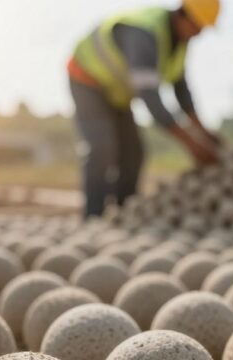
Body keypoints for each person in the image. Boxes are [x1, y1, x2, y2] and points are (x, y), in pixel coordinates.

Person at [68, 0, 222, 217]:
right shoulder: (144, 34)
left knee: (134, 154)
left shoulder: (178, 45)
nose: (198, 34)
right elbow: (153, 102)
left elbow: (182, 93)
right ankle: (93, 215)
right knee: (102, 148)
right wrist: (193, 146)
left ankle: (125, 213)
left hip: (118, 92)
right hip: (88, 78)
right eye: (197, 27)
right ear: (182, 15)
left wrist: (204, 133)